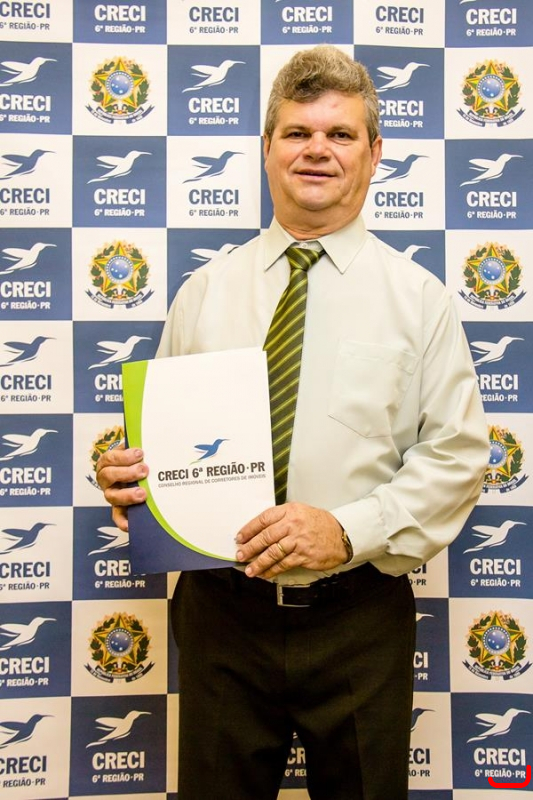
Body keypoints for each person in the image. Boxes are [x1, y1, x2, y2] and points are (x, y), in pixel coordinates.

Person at [96, 46, 488, 800]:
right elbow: (157, 446)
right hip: (221, 616)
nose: (316, 149)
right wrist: (131, 482)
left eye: (340, 134)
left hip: (358, 617)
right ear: (267, 148)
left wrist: (344, 529)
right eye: (297, 132)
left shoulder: (420, 300)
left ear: (374, 153)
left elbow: (457, 456)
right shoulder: (203, 292)